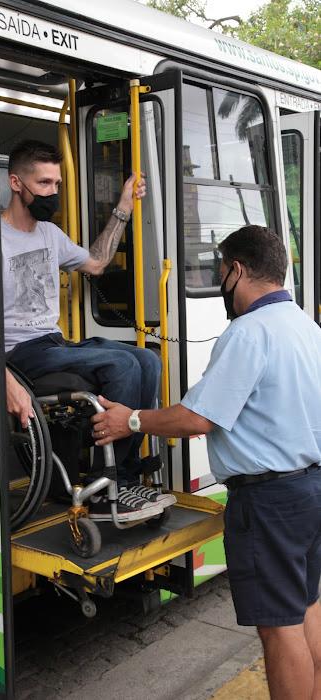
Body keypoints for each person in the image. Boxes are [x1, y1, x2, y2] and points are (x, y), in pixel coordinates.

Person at [91, 225, 321, 699]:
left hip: (270, 500)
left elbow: (198, 419)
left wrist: (130, 421)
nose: (221, 285)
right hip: (310, 488)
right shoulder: (305, 326)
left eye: (220, 274)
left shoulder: (249, 332)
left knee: (278, 628)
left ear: (236, 270)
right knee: (309, 605)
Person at [2, 139, 164, 522]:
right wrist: (5, 378)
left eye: (56, 184)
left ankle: (120, 474)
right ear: (15, 183)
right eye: (44, 184)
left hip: (52, 342)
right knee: (122, 367)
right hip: (20, 353)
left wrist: (124, 206)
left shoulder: (49, 234)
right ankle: (110, 483)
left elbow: (96, 263)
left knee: (147, 360)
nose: (52, 193)